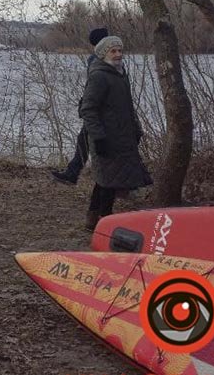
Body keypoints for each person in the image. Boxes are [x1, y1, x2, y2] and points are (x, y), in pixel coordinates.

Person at [78, 34, 152, 230]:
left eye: (120, 50)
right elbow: (88, 109)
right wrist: (99, 137)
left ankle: (93, 220)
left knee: (106, 181)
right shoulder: (99, 76)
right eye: (113, 51)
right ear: (104, 54)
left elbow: (127, 106)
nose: (118, 54)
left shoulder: (120, 73)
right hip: (105, 138)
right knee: (107, 183)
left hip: (122, 138)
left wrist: (136, 129)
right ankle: (104, 224)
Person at [51, 26, 108, 185]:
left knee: (88, 141)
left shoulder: (96, 59)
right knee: (84, 140)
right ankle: (72, 173)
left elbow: (93, 87)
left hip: (98, 111)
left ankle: (73, 173)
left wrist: (87, 106)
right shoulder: (109, 59)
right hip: (100, 110)